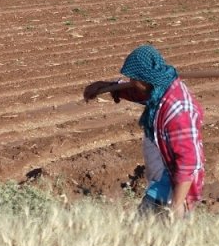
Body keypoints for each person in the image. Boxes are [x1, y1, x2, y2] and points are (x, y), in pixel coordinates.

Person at [83, 45, 205, 219]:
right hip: (162, 181)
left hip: (171, 189)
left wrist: (176, 205)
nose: (131, 82)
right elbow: (140, 93)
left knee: (141, 234)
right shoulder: (161, 88)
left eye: (133, 78)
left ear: (145, 79)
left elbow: (188, 161)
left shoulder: (178, 112)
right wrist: (107, 87)